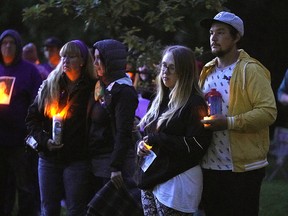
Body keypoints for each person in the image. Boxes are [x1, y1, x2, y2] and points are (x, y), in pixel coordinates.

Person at [199, 11, 277, 216]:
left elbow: (268, 112)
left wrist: (229, 122)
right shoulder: (206, 71)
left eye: (221, 32)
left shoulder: (251, 70)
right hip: (209, 166)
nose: (213, 38)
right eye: (211, 32)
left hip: (244, 169)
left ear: (236, 37)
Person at [137, 45, 212, 215]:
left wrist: (158, 139)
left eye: (172, 68)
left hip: (177, 182)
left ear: (184, 72)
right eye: (164, 66)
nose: (166, 72)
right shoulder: (159, 100)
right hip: (152, 177)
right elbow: (147, 136)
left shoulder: (194, 104)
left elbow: (197, 146)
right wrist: (141, 146)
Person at [25, 40, 96, 216]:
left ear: (82, 61)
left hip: (77, 159)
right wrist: (44, 141)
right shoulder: (50, 85)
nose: (65, 60)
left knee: (75, 209)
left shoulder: (92, 88)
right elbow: (32, 119)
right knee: (48, 208)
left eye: (71, 56)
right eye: (63, 56)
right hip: (48, 158)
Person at [86, 39, 140, 214]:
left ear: (110, 61)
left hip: (113, 163)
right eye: (93, 59)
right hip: (99, 159)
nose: (94, 64)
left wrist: (116, 167)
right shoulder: (103, 85)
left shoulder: (123, 91)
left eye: (98, 59)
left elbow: (123, 132)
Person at [0, 29, 43, 216]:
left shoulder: (30, 71)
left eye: (12, 43)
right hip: (0, 140)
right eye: (4, 43)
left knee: (25, 186)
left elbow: (38, 103)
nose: (8, 46)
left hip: (21, 140)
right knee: (2, 186)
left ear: (18, 46)